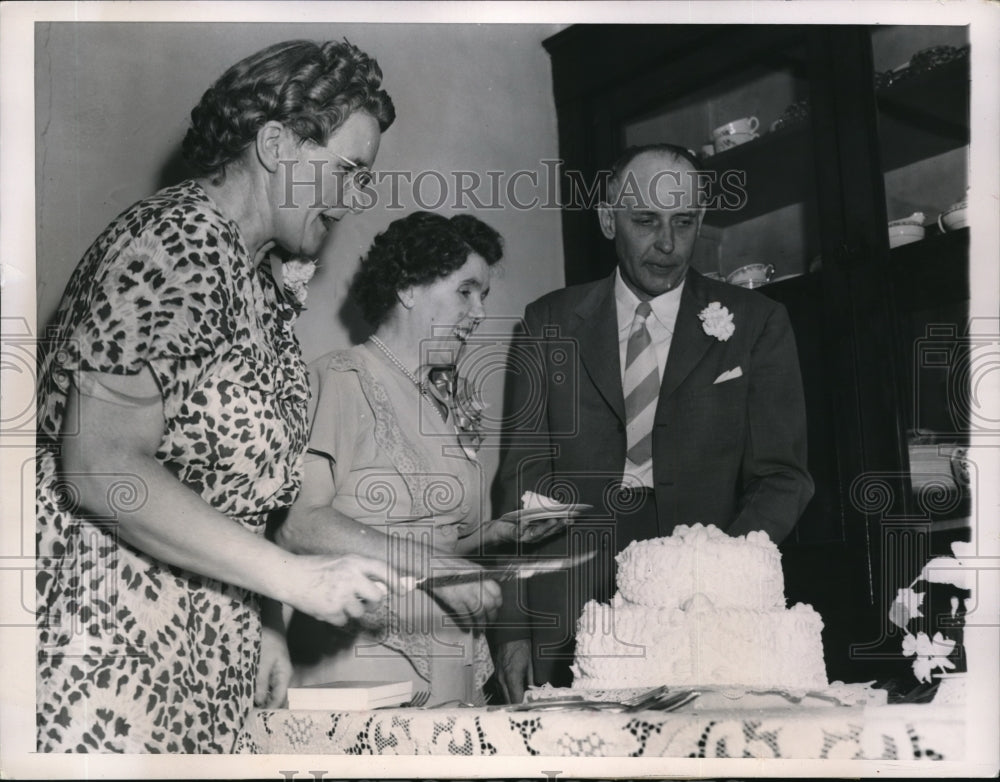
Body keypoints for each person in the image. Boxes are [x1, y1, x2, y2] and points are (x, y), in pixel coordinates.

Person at [35, 39, 397, 753]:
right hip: (108, 640)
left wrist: (263, 618)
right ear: (276, 146)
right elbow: (103, 467)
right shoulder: (173, 242)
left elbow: (237, 497)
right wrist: (292, 578)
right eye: (349, 172)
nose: (355, 199)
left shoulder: (256, 281)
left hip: (201, 651)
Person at [491, 143, 815, 703]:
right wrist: (513, 629)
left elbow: (784, 478)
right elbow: (522, 486)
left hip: (709, 611)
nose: (667, 244)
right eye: (645, 221)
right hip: (570, 606)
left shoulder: (757, 323)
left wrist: (713, 573)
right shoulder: (549, 322)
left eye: (683, 222)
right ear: (607, 218)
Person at [276, 211, 560, 706]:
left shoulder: (442, 402)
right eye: (465, 291)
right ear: (408, 288)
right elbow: (299, 523)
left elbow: (437, 534)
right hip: (367, 665)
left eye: (484, 297)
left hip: (453, 656)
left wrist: (494, 533)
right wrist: (435, 569)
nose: (478, 312)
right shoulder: (342, 378)